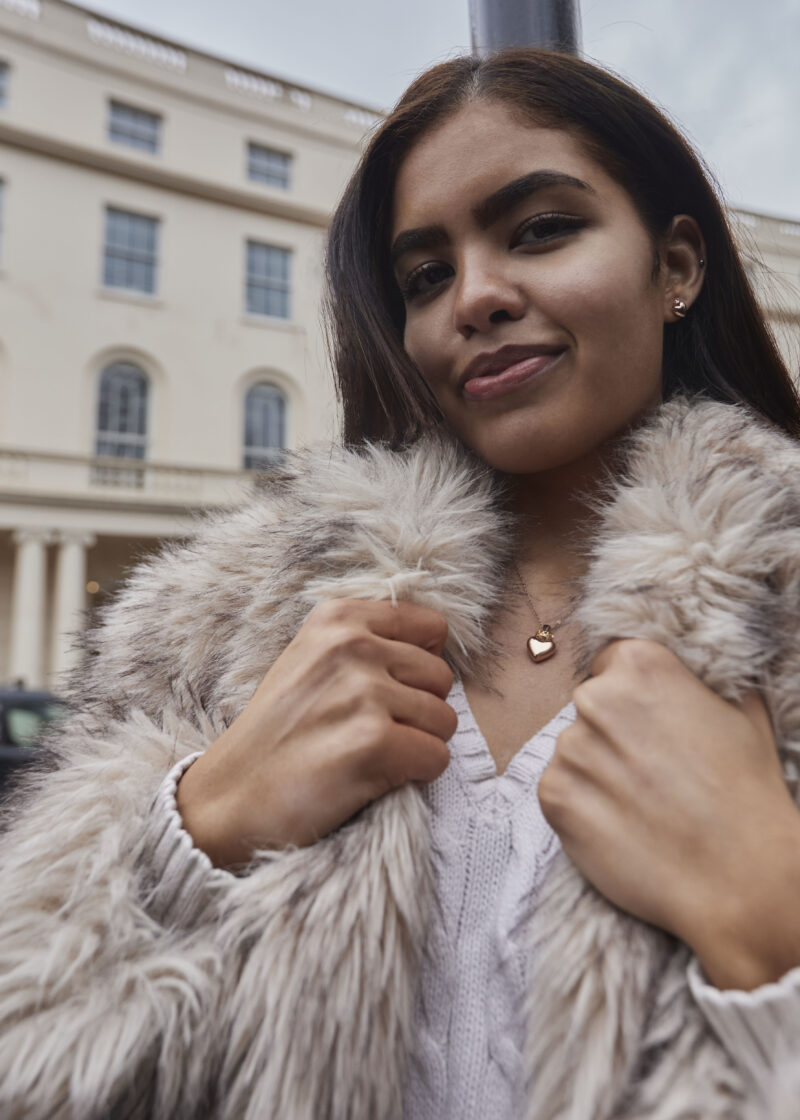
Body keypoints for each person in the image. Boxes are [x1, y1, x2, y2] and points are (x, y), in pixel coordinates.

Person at [2, 47, 800, 1120]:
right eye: (424, 277)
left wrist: (768, 924)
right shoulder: (227, 623)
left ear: (676, 267)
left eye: (539, 229)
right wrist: (198, 828)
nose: (473, 297)